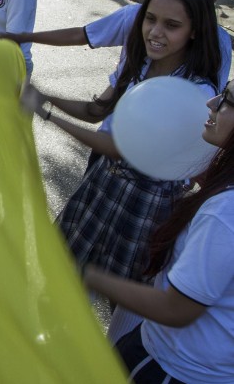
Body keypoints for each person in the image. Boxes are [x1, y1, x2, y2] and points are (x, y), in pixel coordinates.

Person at [21, 0, 221, 283]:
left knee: (121, 299)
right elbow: (96, 111)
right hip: (104, 183)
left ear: (194, 31)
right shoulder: (142, 66)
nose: (155, 32)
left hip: (145, 207)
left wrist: (46, 113)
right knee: (58, 274)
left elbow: (121, 147)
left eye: (171, 25)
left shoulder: (194, 92)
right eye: (150, 19)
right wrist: (43, 95)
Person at [83, 84, 234, 382]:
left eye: (228, 100)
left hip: (172, 366)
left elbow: (177, 308)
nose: (211, 101)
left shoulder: (224, 211)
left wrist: (89, 274)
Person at [0, 0, 232, 90]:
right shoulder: (136, 16)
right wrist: (23, 36)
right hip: (112, 140)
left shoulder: (219, 42)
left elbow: (209, 108)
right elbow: (83, 34)